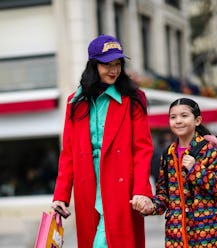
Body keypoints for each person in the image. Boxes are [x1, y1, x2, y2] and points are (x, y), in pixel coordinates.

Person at [51, 34, 153, 248]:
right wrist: (61, 194)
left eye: (118, 64)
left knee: (106, 241)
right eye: (107, 64)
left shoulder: (134, 98)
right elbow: (68, 152)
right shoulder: (75, 101)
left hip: (121, 182)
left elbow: (142, 148)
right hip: (87, 182)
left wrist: (141, 190)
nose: (114, 70)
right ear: (94, 65)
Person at [131, 98, 217, 247]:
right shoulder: (168, 154)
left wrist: (196, 169)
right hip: (177, 237)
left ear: (197, 120)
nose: (178, 121)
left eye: (184, 116)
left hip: (209, 235)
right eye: (173, 117)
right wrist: (150, 206)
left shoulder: (208, 150)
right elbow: (164, 195)